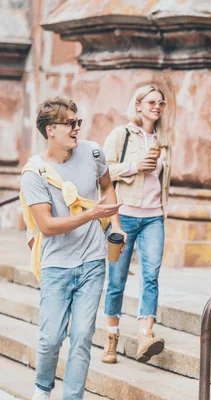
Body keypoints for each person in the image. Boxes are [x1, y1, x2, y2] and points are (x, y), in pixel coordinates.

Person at [21, 97, 126, 400]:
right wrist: (91, 215)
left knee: (81, 337)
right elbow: (48, 226)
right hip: (57, 265)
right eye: (70, 123)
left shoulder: (93, 152)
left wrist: (115, 225)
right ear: (51, 129)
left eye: (78, 122)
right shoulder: (35, 173)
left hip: (93, 262)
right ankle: (42, 389)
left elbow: (106, 188)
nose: (77, 128)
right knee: (50, 339)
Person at [101, 84, 172, 364]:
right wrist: (134, 167)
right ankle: (111, 340)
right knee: (116, 281)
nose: (157, 106)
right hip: (124, 217)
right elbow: (103, 172)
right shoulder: (122, 134)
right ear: (139, 105)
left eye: (161, 103)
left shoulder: (164, 140)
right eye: (151, 101)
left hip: (154, 216)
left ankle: (146, 336)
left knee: (151, 276)